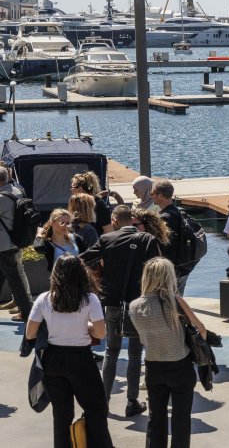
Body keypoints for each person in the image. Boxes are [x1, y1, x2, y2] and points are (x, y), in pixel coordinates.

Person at [81, 204, 161, 417]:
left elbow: (83, 260)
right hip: (138, 304)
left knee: (111, 352)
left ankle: (104, 400)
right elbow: (160, 270)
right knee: (136, 353)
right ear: (133, 221)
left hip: (112, 302)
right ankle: (132, 401)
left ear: (115, 221)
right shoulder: (148, 240)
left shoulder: (107, 239)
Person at [25, 254, 111, 448]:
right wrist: (86, 326)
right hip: (80, 359)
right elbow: (100, 333)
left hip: (52, 359)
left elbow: (30, 334)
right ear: (81, 274)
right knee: (96, 408)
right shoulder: (90, 299)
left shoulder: (44, 299)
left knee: (62, 414)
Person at [130, 257, 206, 448]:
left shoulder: (134, 306)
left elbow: (141, 338)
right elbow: (201, 329)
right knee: (181, 420)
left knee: (156, 419)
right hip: (179, 364)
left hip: (153, 366)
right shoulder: (174, 301)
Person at [0, 168, 31, 322]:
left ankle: (27, 312)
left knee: (15, 280)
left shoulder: (1, 198)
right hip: (16, 241)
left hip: (4, 246)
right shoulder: (17, 191)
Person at [151, 178, 193, 294]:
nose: (151, 196)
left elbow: (167, 245)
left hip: (173, 269)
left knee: (171, 303)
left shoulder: (165, 218)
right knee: (178, 302)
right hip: (184, 265)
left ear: (160, 196)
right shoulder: (177, 211)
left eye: (152, 193)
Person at [70, 171, 114, 235]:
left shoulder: (99, 205)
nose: (71, 189)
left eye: (73, 187)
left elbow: (108, 230)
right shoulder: (76, 203)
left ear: (80, 189)